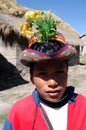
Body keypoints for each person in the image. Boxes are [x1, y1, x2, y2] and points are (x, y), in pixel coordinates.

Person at [2, 10, 86, 130]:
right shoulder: (18, 113)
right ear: (31, 78)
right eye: (42, 74)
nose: (52, 83)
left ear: (67, 72)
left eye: (59, 72)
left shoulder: (84, 108)